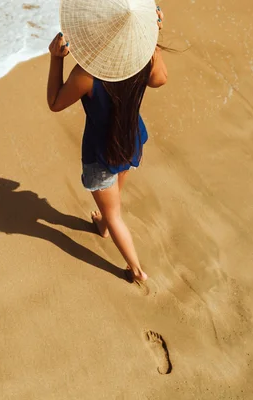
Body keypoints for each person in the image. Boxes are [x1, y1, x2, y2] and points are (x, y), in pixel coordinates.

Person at [46, 2, 167, 283]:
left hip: (101, 150)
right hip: (130, 139)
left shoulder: (86, 75)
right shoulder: (144, 57)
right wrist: (153, 40)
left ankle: (136, 270)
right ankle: (101, 224)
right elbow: (160, 80)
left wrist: (56, 59)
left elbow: (55, 103)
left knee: (115, 215)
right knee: (113, 195)